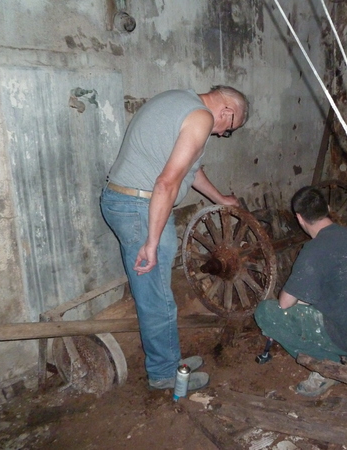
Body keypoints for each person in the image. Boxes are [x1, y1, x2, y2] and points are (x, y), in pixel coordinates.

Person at [100, 86, 249, 391]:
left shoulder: (179, 100)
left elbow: (190, 171)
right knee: (156, 298)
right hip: (141, 207)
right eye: (229, 129)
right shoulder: (201, 118)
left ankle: (168, 358)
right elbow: (166, 182)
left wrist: (220, 198)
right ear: (227, 112)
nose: (222, 135)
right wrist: (152, 242)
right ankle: (164, 373)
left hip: (128, 201)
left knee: (157, 293)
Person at [254, 186, 347, 397]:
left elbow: (285, 304)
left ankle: (327, 367)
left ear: (299, 218)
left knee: (266, 312)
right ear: (329, 209)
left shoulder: (314, 250)